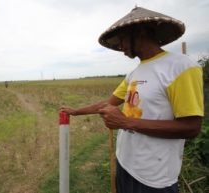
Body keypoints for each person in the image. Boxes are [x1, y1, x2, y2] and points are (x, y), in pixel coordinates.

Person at [60, 7, 204, 193]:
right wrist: (76, 111)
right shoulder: (134, 73)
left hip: (154, 178)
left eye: (122, 39)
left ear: (141, 31)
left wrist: (125, 122)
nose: (120, 47)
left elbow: (191, 127)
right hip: (125, 164)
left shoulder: (181, 67)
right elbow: (107, 103)